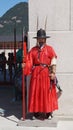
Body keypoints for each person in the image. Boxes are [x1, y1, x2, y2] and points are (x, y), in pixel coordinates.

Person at [24, 28, 58, 120]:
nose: (41, 40)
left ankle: (48, 112)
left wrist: (53, 73)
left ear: (45, 39)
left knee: (47, 92)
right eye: (39, 38)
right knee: (36, 92)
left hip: (46, 73)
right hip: (36, 74)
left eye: (42, 38)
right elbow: (29, 61)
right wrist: (26, 66)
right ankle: (36, 112)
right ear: (37, 39)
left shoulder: (50, 49)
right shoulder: (33, 50)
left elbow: (53, 60)